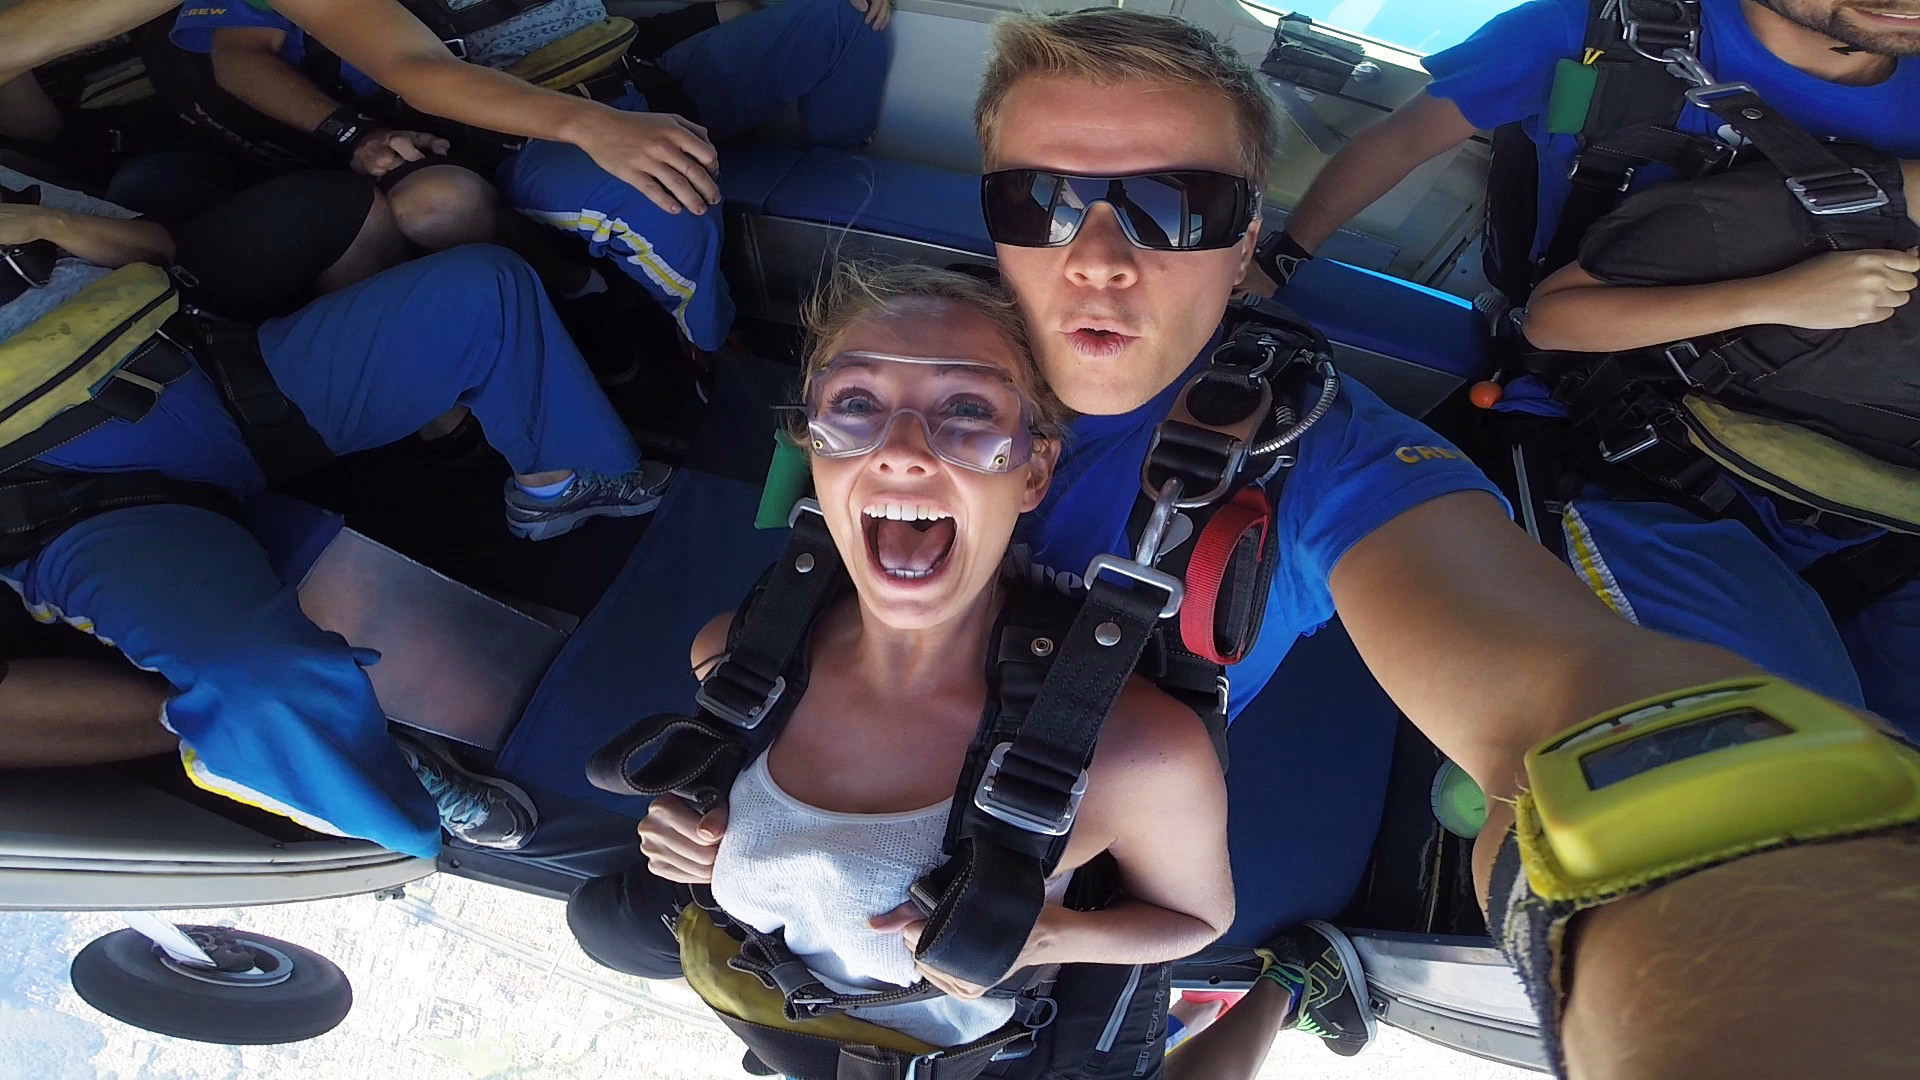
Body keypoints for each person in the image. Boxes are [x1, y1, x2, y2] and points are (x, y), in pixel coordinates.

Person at [969, 6, 1782, 1059]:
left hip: (1109, 858)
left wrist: (1731, 913)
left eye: (1176, 207)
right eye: (1040, 201)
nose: (1099, 259)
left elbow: (1555, 706)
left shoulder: (1323, 458)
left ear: (1248, 243)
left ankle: (1278, 986)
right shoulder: (899, 376)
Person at [582, 264, 1240, 1074]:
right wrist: (700, 846)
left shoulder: (1139, 752)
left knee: (602, 921)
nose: (898, 450)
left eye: (966, 411)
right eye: (855, 404)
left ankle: (1290, 989)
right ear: (813, 454)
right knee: (600, 924)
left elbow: (1199, 918)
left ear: (1033, 471)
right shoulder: (738, 660)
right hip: (783, 1010)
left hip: (970, 1053)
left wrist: (1054, 935)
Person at [0, 156, 673, 857]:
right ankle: (404, 810)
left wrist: (44, 222)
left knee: (482, 289)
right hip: (82, 498)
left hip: (208, 373)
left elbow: (154, 245)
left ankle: (562, 484)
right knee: (263, 685)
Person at [167, 0, 889, 355]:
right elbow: (238, 56)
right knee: (669, 198)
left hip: (638, 74)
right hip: (518, 126)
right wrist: (348, 131)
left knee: (845, 16)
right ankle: (715, 354)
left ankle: (843, 195)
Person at [1514, 148, 1920, 734]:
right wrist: (1778, 296)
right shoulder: (1809, 209)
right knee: (1788, 754)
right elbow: (1550, 319)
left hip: (1882, 536)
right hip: (1684, 492)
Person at [1262, 0, 1920, 297]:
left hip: (1842, 369)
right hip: (1591, 337)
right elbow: (1401, 141)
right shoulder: (1581, 28)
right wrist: (1287, 256)